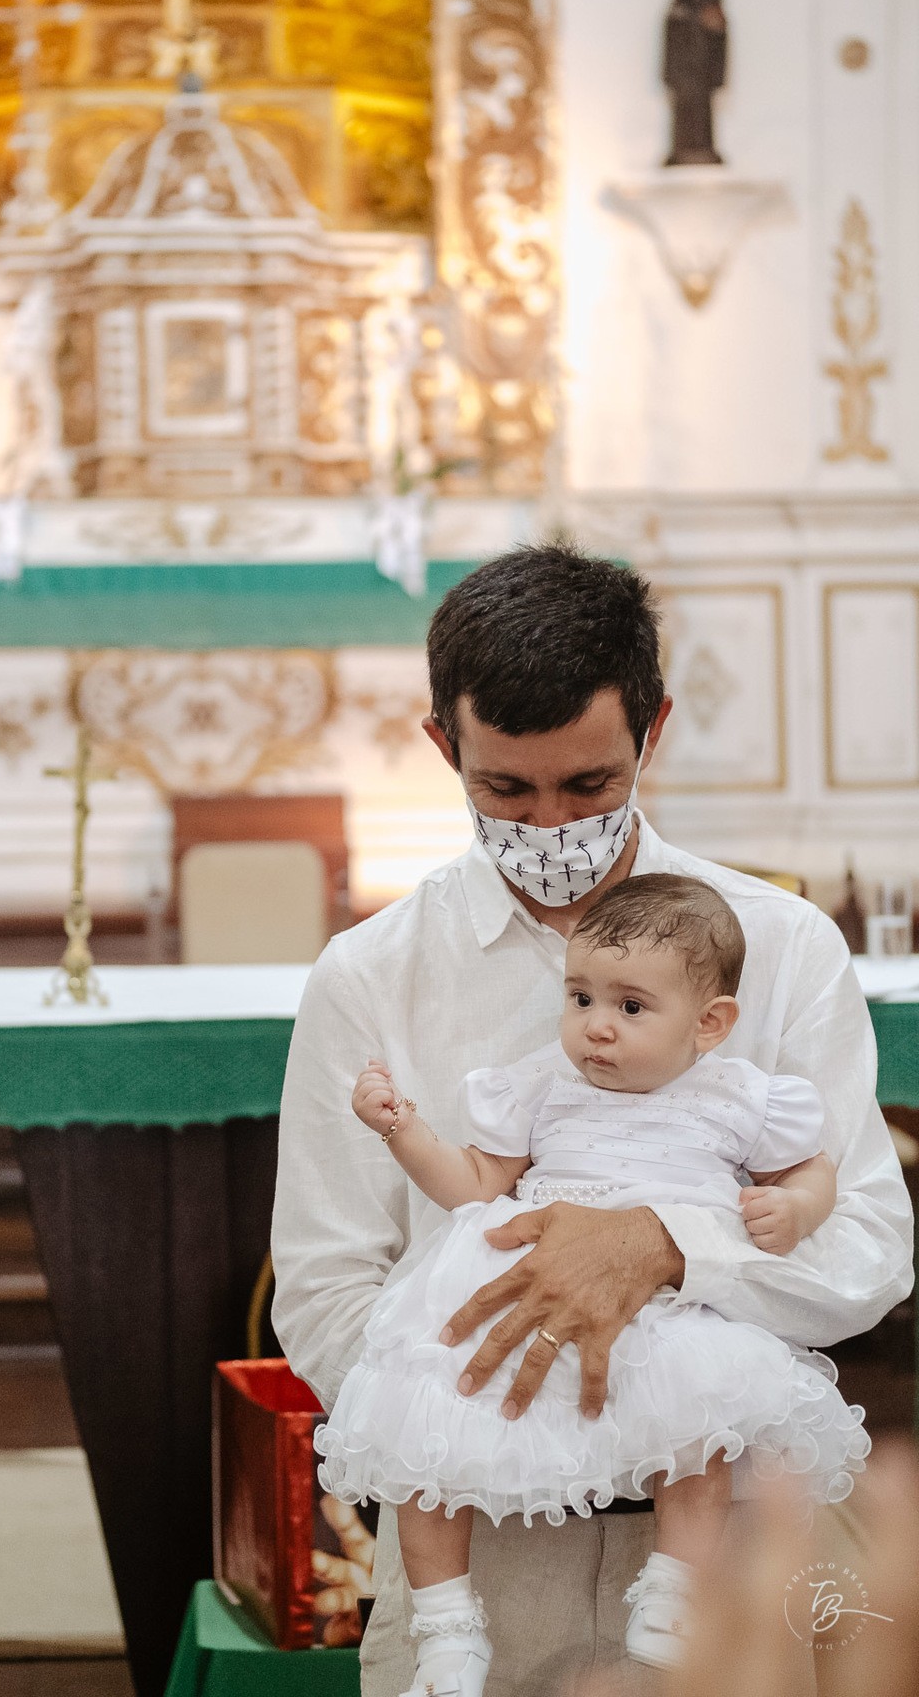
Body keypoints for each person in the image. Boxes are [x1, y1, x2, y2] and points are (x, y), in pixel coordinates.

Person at [270, 544, 914, 1695]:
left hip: (723, 1542)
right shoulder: (370, 976)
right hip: (477, 1550)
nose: (550, 823)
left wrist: (668, 1247)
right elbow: (323, 1287)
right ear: (443, 747)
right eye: (505, 789)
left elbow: (868, 1251)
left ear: (653, 734)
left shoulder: (779, 947)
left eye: (591, 786)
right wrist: (503, 1417)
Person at [315, 874, 869, 1679]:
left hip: (668, 1308)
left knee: (700, 1432)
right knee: (427, 1440)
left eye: (630, 1007)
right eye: (580, 999)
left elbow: (816, 1170)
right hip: (526, 1290)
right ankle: (445, 1627)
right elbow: (474, 1184)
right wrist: (402, 1129)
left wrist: (800, 1209)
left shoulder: (741, 1097)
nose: (596, 1029)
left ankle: (674, 1590)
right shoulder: (545, 1083)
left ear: (710, 1024)